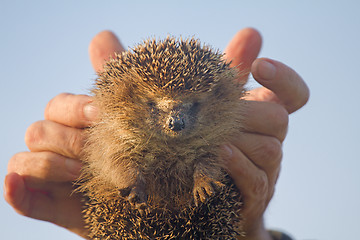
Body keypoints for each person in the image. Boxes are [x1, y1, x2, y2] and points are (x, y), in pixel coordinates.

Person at [4, 28, 309, 240]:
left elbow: (208, 159)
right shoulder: (118, 125)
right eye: (155, 106)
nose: (175, 121)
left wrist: (252, 233)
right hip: (130, 212)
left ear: (216, 99)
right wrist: (129, 177)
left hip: (201, 222)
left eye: (190, 108)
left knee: (206, 166)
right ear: (127, 99)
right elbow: (117, 159)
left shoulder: (224, 124)